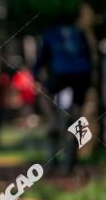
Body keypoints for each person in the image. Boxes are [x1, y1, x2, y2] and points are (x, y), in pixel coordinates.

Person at [33, 15, 93, 174]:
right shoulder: (79, 32)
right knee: (76, 115)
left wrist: (35, 74)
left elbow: (41, 59)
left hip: (62, 75)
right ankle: (70, 162)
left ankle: (52, 122)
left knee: (43, 93)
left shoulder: (51, 34)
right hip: (82, 75)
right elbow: (88, 56)